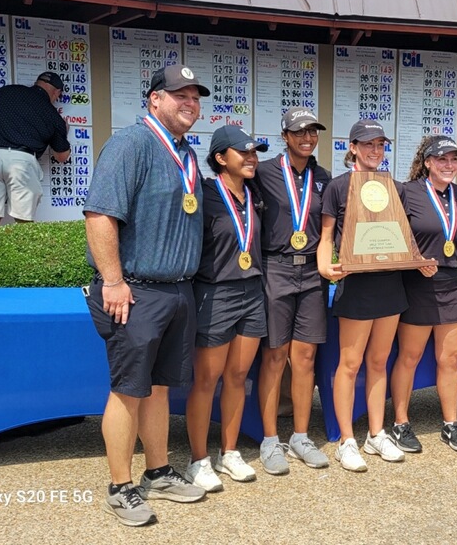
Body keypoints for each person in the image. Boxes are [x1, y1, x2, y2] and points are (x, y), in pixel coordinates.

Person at [83, 64, 210, 526]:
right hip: (134, 291)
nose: (189, 102)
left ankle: (157, 471)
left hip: (177, 291)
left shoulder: (187, 153)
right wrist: (113, 281)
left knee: (157, 390)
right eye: (179, 94)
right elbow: (99, 215)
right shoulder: (130, 144)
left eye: (195, 96)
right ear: (154, 99)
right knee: (127, 391)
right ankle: (120, 485)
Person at [318, 120, 435, 471]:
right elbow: (326, 238)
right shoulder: (338, 187)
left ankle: (375, 433)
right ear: (351, 147)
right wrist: (327, 268)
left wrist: (420, 263)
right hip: (356, 285)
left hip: (390, 285)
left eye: (381, 145)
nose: (375, 151)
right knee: (350, 364)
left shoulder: (394, 187)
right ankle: (345, 440)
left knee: (379, 362)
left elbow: (403, 237)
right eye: (367, 144)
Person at [185, 125, 268, 491]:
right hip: (215, 294)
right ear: (221, 158)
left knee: (238, 377)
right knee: (207, 380)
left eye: (255, 152)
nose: (252, 158)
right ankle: (198, 460)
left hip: (252, 292)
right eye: (243, 153)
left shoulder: (255, 194)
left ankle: (229, 452)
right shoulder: (204, 193)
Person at [251, 107, 332, 475]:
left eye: (312, 132)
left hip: (313, 273)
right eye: (299, 132)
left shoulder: (324, 178)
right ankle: (270, 440)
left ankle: (301, 435)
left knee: (305, 359)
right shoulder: (264, 173)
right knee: (274, 356)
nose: (307, 138)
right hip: (276, 270)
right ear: (285, 136)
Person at [391, 136, 457, 452]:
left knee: (450, 359)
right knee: (409, 357)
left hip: (455, 284)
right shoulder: (407, 192)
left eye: (453, 159)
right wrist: (415, 261)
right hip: (418, 286)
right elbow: (393, 235)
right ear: (427, 163)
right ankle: (400, 422)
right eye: (442, 159)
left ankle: (451, 424)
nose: (449, 165)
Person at [0, 71, 71, 227]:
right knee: (23, 222)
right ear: (56, 92)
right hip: (21, 160)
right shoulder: (52, 114)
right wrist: (64, 131)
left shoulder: (6, 91)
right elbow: (62, 156)